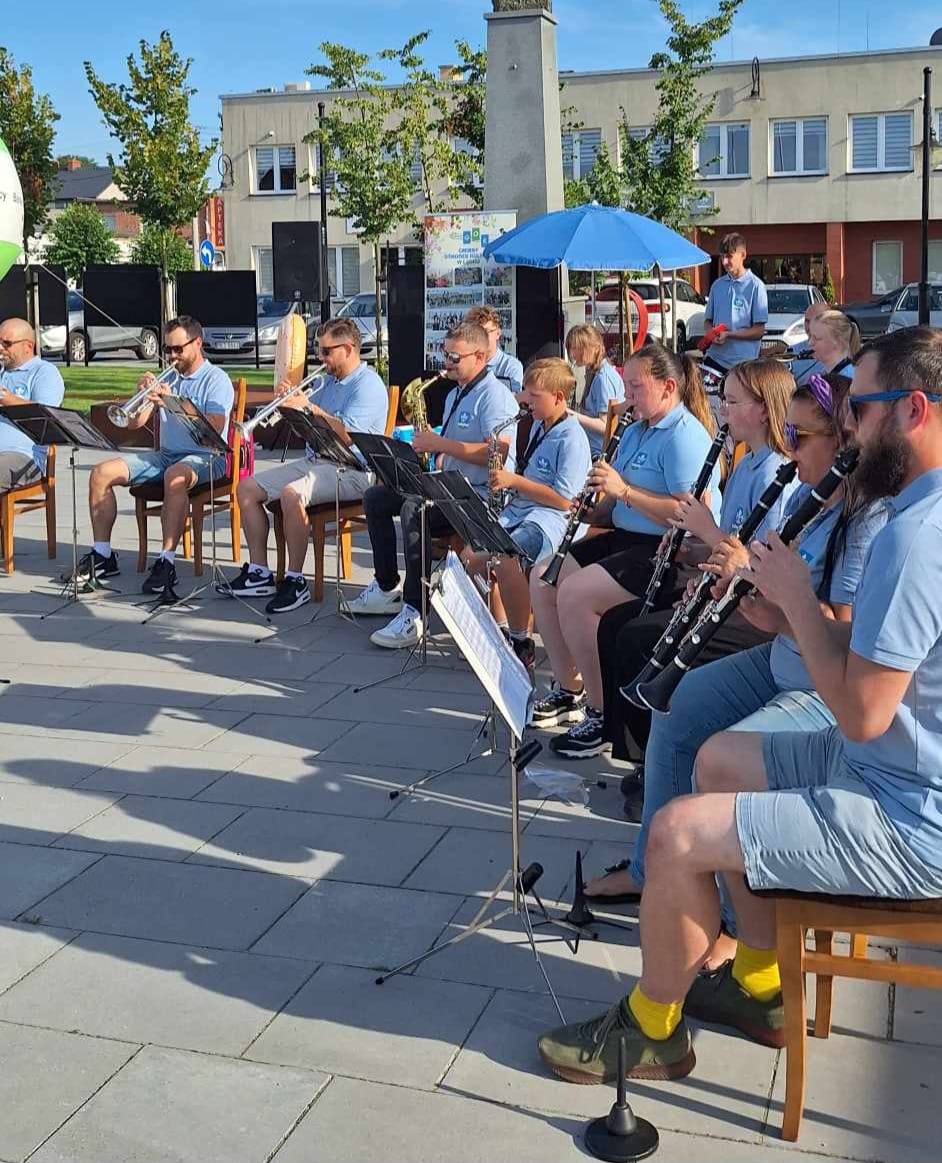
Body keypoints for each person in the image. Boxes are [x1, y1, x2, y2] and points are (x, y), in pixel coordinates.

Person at [536, 326, 942, 1084]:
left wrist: (793, 599)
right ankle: (761, 984)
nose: (851, 425)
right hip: (890, 764)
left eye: (866, 409)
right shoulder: (921, 512)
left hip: (907, 809)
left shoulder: (916, 534)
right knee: (719, 759)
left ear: (915, 409)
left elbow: (859, 712)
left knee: (676, 832)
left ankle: (653, 1026)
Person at [578, 371, 887, 945]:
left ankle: (728, 929)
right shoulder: (802, 495)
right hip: (781, 656)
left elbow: (844, 635)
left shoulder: (866, 522)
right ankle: (650, 873)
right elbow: (776, 617)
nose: (789, 449)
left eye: (800, 437)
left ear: (843, 441)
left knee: (720, 761)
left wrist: (777, 591)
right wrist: (745, 590)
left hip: (819, 687)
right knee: (675, 709)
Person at [593, 358, 800, 778]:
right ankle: (638, 753)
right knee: (615, 624)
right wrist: (690, 550)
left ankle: (654, 762)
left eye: (731, 402)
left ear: (763, 409)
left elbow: (760, 559)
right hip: (727, 588)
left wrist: (704, 530)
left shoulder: (778, 472)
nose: (722, 411)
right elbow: (728, 543)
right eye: (722, 401)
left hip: (757, 607)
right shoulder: (745, 465)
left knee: (637, 637)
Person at [528, 343, 722, 758]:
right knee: (543, 577)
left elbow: (690, 513)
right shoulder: (636, 429)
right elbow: (613, 504)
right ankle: (569, 688)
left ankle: (602, 715)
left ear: (668, 386)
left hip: (668, 551)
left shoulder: (686, 436)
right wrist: (596, 504)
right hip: (626, 537)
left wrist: (625, 491)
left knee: (576, 593)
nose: (626, 396)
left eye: (635, 387)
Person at [348, 321, 518, 648]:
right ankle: (386, 587)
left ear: (480, 357)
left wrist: (440, 445)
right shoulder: (456, 392)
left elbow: (497, 452)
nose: (447, 363)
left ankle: (416, 610)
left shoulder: (494, 396)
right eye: (445, 355)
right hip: (450, 484)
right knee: (377, 498)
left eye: (455, 357)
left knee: (415, 509)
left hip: (479, 496)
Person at [225, 319, 387, 614]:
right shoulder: (327, 383)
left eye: (326, 352)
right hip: (319, 460)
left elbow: (349, 436)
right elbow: (309, 432)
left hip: (354, 470)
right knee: (246, 488)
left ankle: (296, 579)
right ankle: (260, 572)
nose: (320, 358)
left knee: (291, 494)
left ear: (348, 349)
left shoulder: (369, 385)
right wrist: (289, 410)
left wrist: (309, 407)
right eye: (318, 350)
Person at [75, 316, 233, 596]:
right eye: (167, 349)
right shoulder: (167, 376)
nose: (172, 356)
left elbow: (216, 428)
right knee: (101, 472)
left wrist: (172, 404)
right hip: (166, 455)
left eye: (178, 349)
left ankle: (166, 561)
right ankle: (102, 555)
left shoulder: (216, 379)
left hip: (208, 456)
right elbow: (133, 424)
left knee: (175, 477)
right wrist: (141, 396)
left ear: (197, 343)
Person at [463, 358, 592, 670]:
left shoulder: (572, 438)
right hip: (521, 510)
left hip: (550, 520)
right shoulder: (538, 425)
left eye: (534, 396)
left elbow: (564, 501)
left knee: (506, 555)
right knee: (470, 556)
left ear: (559, 398)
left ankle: (522, 641)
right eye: (526, 393)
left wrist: (514, 481)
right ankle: (502, 627)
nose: (525, 401)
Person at [0, 317, 64, 491]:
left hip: (22, 455)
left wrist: (6, 398)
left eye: (6, 343)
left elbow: (46, 416)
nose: (0, 348)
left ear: (28, 346)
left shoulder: (44, 372)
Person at [701, 233, 769, 374]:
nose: (724, 262)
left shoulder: (756, 286)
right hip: (715, 360)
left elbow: (759, 331)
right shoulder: (717, 285)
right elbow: (708, 321)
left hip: (744, 364)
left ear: (743, 255)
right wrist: (710, 334)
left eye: (729, 256)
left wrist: (730, 335)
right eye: (722, 257)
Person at [565, 324, 626, 457]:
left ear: (594, 348)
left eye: (577, 348)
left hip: (599, 453)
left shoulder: (603, 378)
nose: (572, 354)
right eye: (571, 348)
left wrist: (571, 414)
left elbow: (606, 426)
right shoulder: (594, 373)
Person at [465, 305, 523, 394]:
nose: (482, 337)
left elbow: (513, 400)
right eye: (478, 333)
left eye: (486, 332)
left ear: (498, 333)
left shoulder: (511, 365)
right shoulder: (468, 363)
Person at [794, 309, 859, 387]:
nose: (810, 343)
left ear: (838, 342)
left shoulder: (846, 379)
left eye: (817, 338)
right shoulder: (833, 373)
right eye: (810, 336)